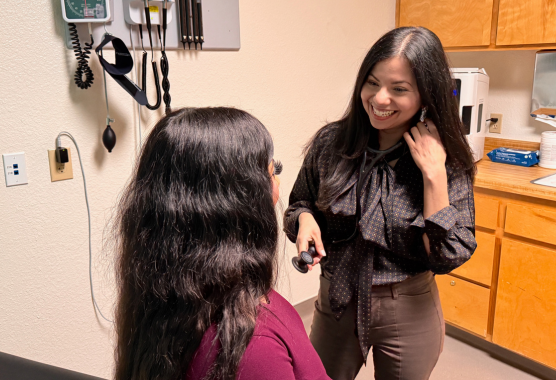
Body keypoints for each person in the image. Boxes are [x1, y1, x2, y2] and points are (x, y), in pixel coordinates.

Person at [284, 27, 477, 380]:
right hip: (337, 299)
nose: (380, 99)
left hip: (407, 306)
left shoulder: (446, 159)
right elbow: (299, 203)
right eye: (372, 83)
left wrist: (433, 174)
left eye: (399, 89)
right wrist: (305, 221)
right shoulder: (332, 143)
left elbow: (448, 254)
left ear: (426, 95)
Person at [113, 107, 331, 380]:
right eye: (270, 171)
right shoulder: (252, 349)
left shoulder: (169, 308)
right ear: (236, 201)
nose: (276, 184)